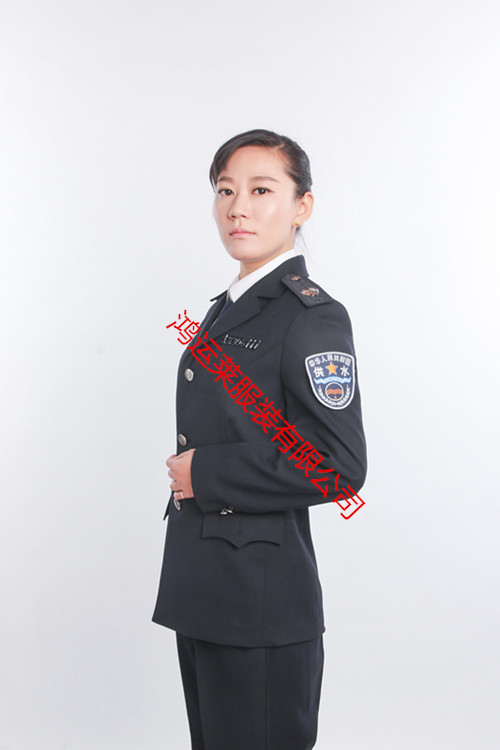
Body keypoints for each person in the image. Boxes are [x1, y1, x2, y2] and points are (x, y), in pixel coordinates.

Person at [152, 128, 367, 750]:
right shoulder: (229, 307)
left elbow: (338, 465)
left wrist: (205, 473)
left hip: (260, 605)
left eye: (261, 190)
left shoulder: (311, 317)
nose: (237, 207)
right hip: (207, 590)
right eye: (225, 190)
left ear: (302, 206)